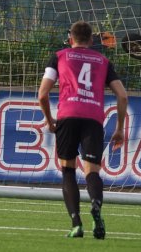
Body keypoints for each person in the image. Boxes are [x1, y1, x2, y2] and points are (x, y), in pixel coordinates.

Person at [38, 21, 128, 239]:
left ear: (71, 39)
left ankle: (76, 223)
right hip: (93, 118)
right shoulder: (104, 61)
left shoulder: (59, 57)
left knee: (68, 169)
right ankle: (96, 205)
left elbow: (42, 94)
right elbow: (122, 95)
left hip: (67, 116)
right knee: (92, 171)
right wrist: (119, 129)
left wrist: (50, 121)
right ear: (91, 40)